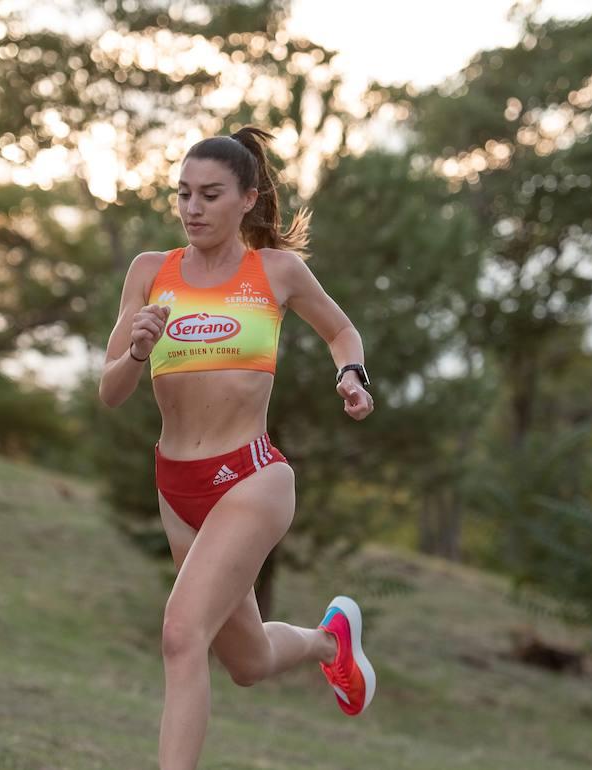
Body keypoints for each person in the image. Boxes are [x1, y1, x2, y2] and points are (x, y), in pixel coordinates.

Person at [98, 126, 376, 769]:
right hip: (176, 486)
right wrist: (136, 351)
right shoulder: (150, 272)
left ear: (247, 198)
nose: (193, 208)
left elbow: (342, 331)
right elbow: (111, 392)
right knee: (246, 662)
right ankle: (329, 644)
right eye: (184, 194)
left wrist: (351, 377)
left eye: (211, 195)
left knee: (179, 635)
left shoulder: (275, 271)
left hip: (251, 478)